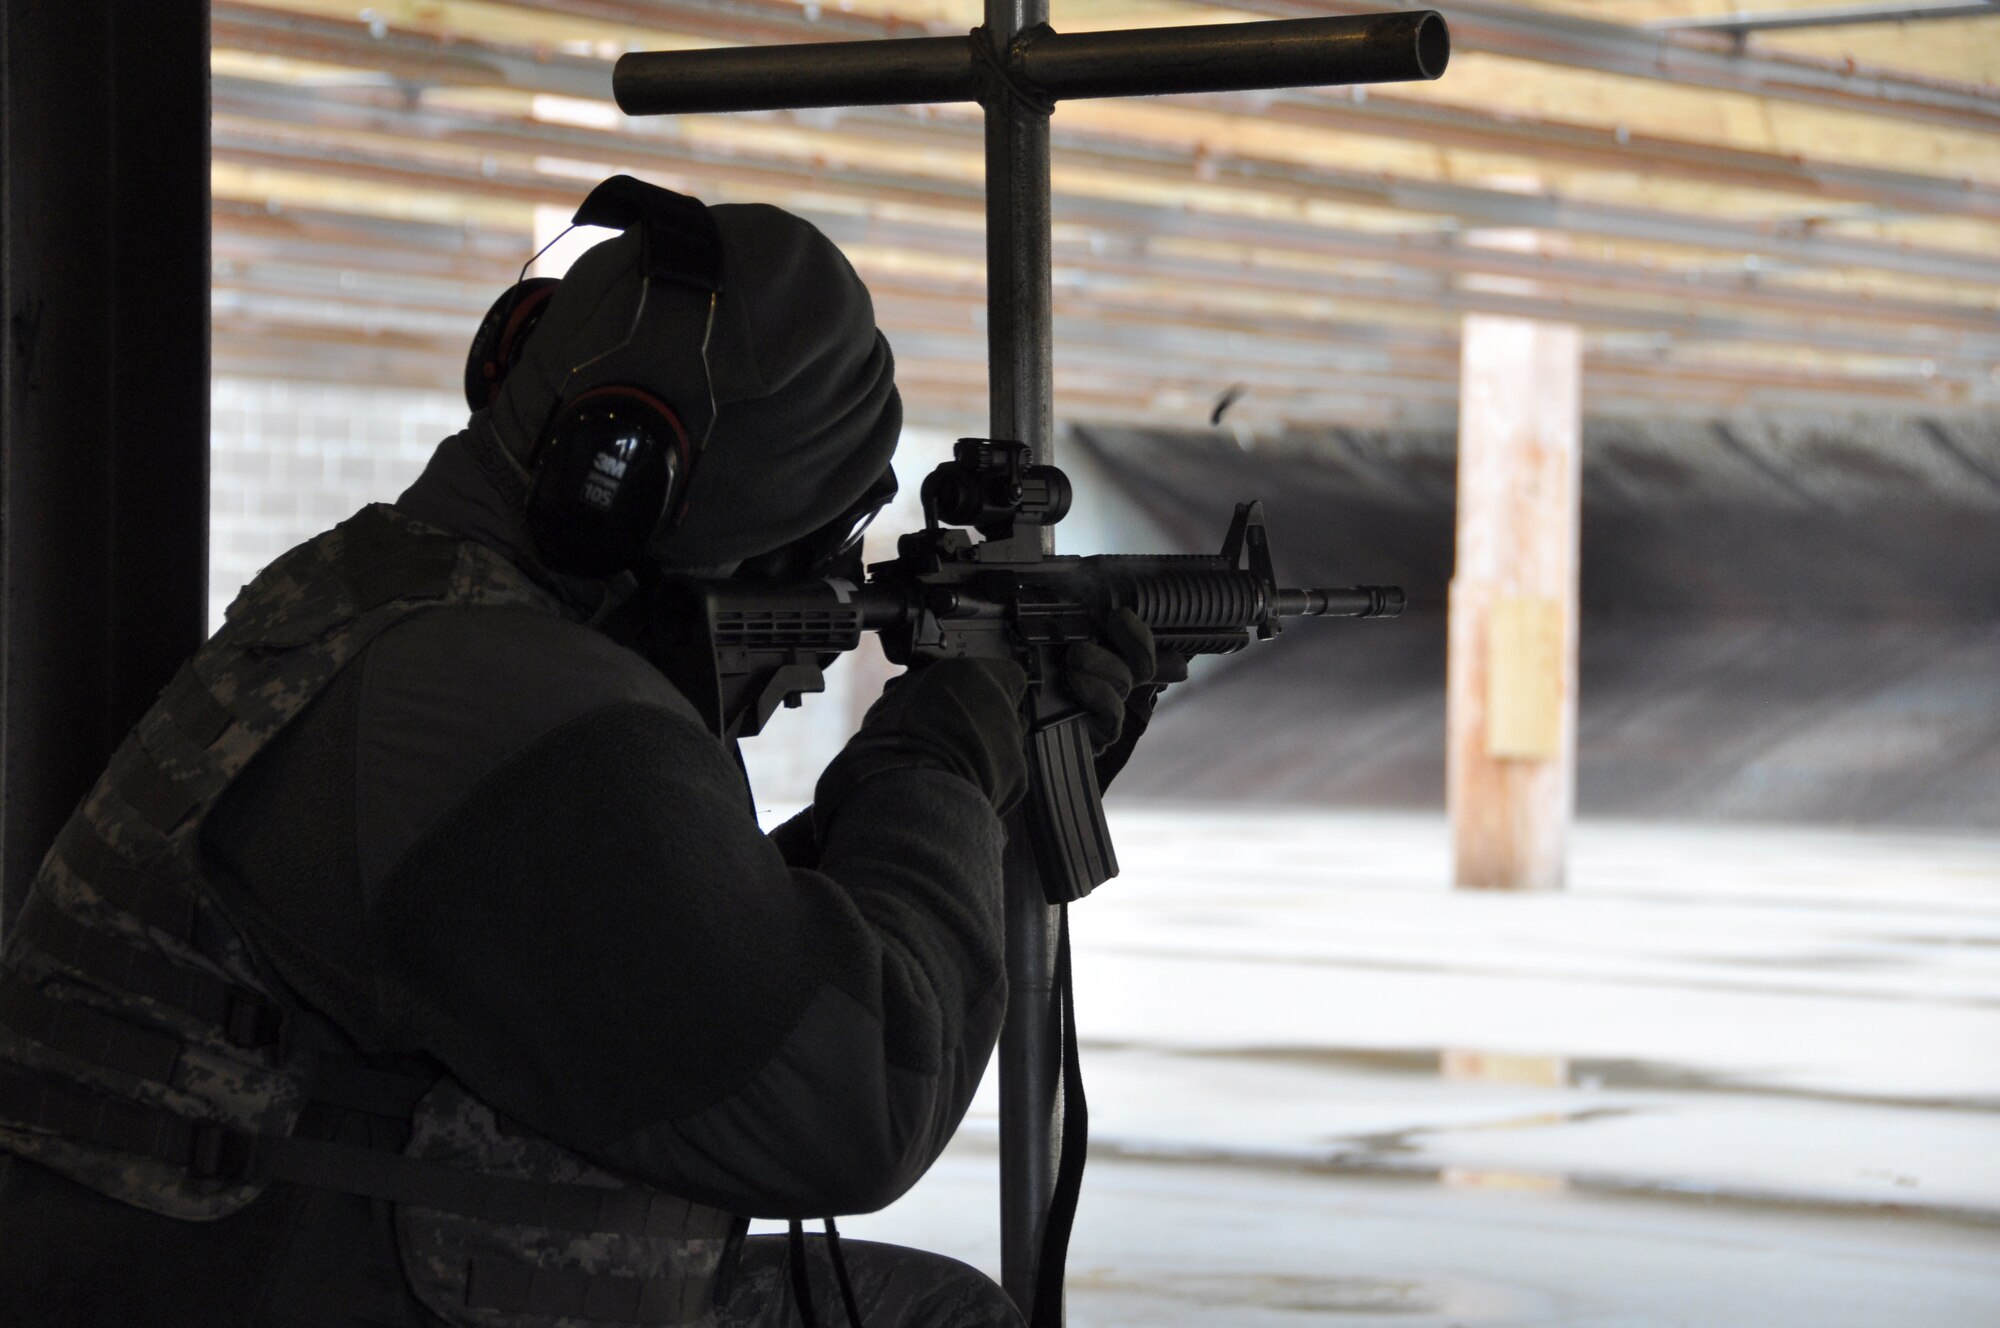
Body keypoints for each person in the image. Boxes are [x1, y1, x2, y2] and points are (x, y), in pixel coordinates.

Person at [0, 177, 1156, 1327]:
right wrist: (942, 755)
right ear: (663, 501)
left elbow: (661, 936)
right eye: (817, 545)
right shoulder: (501, 700)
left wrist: (972, 780)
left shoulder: (395, 597)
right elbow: (854, 1102)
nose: (837, 597)